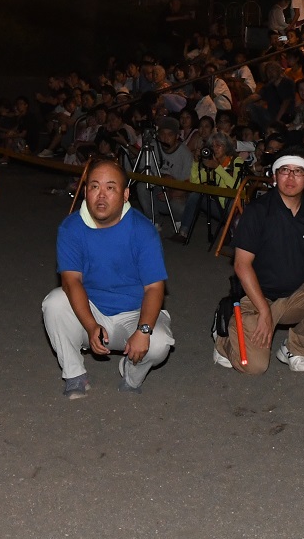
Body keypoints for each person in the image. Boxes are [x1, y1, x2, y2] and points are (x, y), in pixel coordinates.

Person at [42, 157, 175, 398]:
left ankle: (131, 374)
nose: (101, 195)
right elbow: (71, 282)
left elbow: (155, 287)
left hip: (134, 313)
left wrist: (144, 331)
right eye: (94, 186)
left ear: (125, 195)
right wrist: (91, 325)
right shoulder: (71, 228)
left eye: (110, 187)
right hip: (91, 311)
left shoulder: (142, 230)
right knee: (54, 303)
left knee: (160, 343)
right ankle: (75, 375)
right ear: (85, 191)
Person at [212, 152, 304, 375]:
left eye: (298, 171)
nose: (290, 177)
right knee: (253, 367)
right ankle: (223, 339)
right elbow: (241, 265)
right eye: (284, 170)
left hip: (294, 294)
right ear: (275, 176)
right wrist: (264, 311)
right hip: (255, 297)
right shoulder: (257, 211)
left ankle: (294, 348)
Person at [170, 134, 237, 245]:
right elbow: (195, 182)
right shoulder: (212, 163)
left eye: (218, 145)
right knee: (195, 195)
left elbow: (235, 186)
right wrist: (196, 162)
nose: (215, 148)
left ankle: (231, 231)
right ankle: (183, 232)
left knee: (229, 202)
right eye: (212, 146)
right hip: (218, 206)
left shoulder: (236, 161)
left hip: (233, 208)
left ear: (227, 147)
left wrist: (218, 168)